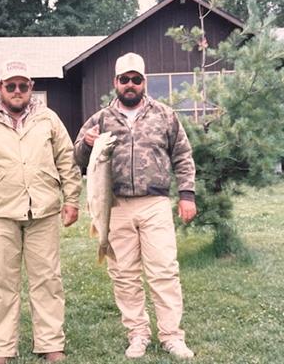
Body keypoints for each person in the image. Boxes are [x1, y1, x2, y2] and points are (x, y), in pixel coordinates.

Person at [0, 59, 82, 364]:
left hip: (43, 213)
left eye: (23, 85)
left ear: (31, 87)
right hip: (0, 214)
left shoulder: (49, 119)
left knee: (48, 280)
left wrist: (72, 199)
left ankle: (51, 343)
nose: (17, 90)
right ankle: (1, 348)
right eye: (11, 85)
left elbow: (67, 161)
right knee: (0, 283)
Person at [74, 52, 197, 360]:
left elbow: (183, 155)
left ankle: (171, 336)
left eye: (136, 79)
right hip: (114, 207)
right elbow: (77, 158)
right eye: (124, 79)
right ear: (115, 82)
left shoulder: (165, 115)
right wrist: (86, 144)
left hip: (155, 203)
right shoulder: (100, 120)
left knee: (164, 271)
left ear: (145, 82)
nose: (130, 84)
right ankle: (137, 334)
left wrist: (187, 194)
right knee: (124, 274)